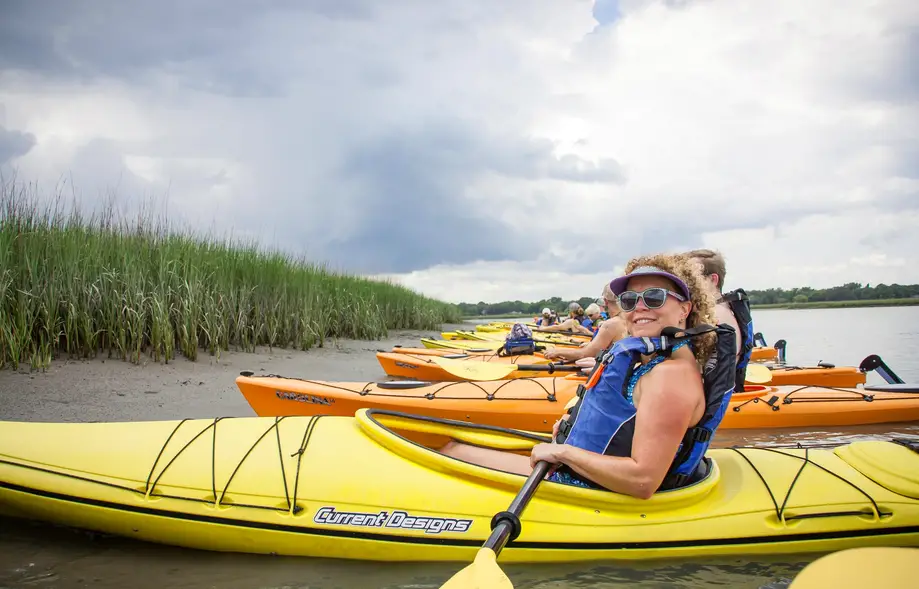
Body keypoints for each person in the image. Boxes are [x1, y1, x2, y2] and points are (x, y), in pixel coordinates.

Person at [439, 253, 739, 499]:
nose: (639, 307)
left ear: (685, 309)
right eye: (629, 300)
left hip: (586, 491)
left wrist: (565, 452)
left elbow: (643, 480)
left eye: (654, 297)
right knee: (454, 448)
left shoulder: (670, 376)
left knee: (453, 452)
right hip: (583, 476)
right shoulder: (658, 360)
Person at [684, 248, 755, 391]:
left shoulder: (715, 315)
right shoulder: (726, 309)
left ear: (713, 279)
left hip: (715, 398)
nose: (684, 283)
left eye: (690, 278)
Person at [543, 283, 628, 364]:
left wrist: (558, 351)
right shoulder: (629, 320)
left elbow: (584, 354)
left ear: (605, 301)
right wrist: (592, 344)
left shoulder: (611, 324)